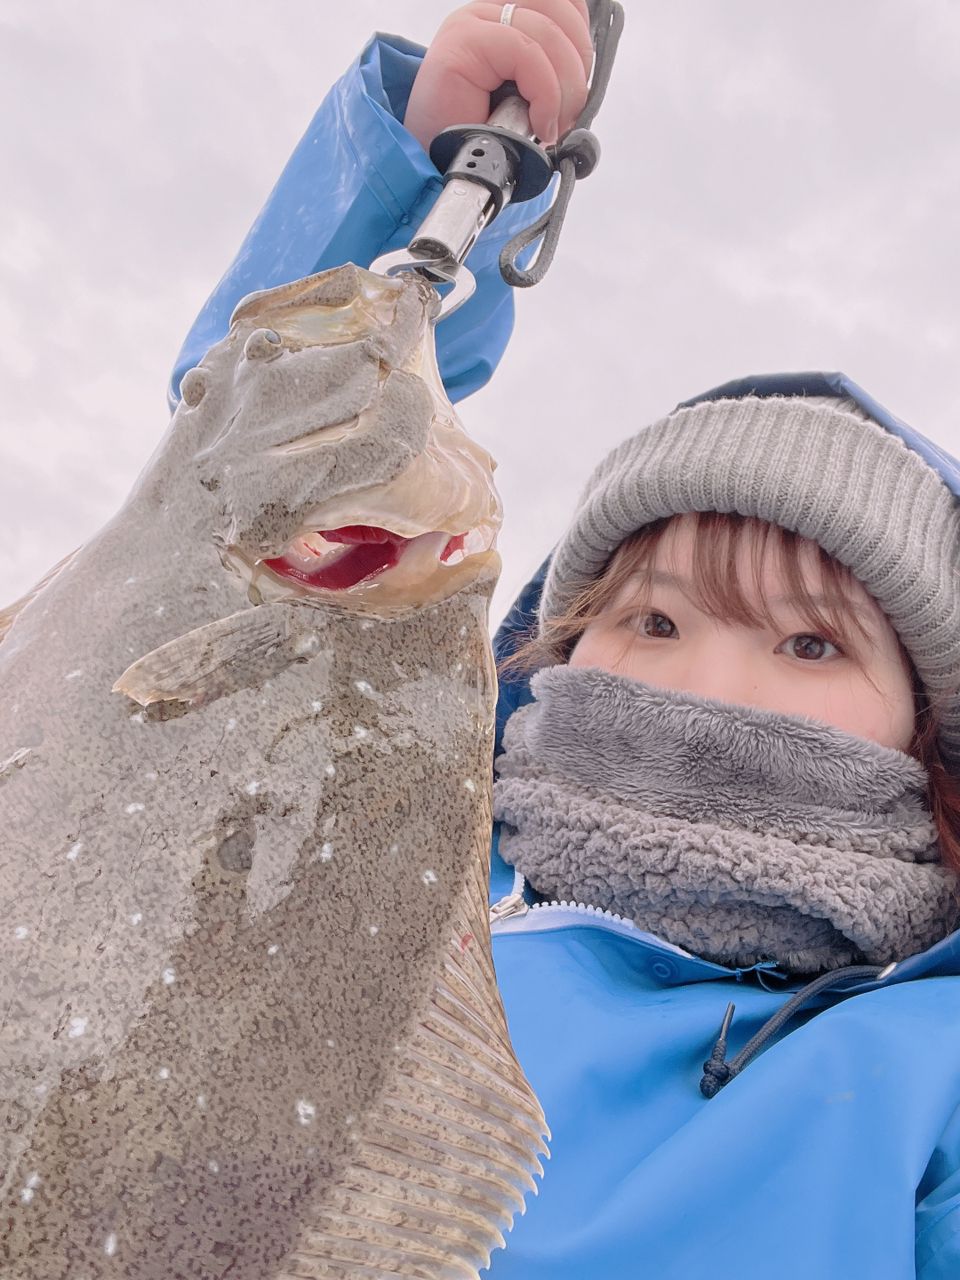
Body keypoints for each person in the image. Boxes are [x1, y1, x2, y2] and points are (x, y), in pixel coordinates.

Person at [171, 5, 960, 1276]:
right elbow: (242, 515)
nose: (708, 688)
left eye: (811, 646)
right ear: (560, 650)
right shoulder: (360, 881)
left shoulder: (932, 1074)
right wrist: (421, 181)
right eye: (652, 619)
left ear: (927, 730)